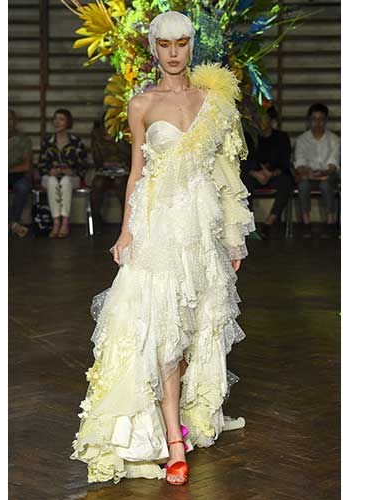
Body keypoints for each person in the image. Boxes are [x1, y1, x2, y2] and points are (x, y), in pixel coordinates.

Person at [71, 11, 252, 486]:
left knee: (197, 325)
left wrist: (233, 234)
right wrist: (126, 231)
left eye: (181, 43)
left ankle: (185, 415)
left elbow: (226, 171)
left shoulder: (213, 101)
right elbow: (137, 172)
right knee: (164, 326)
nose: (174, 53)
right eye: (165, 44)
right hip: (159, 226)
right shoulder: (141, 104)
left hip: (203, 228)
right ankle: (173, 439)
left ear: (192, 46)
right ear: (153, 49)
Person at [240, 107, 293, 233]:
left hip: (274, 175)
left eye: (264, 118)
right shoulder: (250, 137)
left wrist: (271, 173)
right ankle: (249, 223)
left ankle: (270, 221)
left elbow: (285, 162)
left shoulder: (281, 137)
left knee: (287, 181)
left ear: (271, 120)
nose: (260, 121)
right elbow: (244, 161)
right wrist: (256, 173)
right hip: (255, 175)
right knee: (243, 182)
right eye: (258, 118)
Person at [38, 109, 89, 238]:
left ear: (68, 122)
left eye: (61, 119)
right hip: (50, 177)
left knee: (65, 181)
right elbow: (41, 164)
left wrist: (71, 171)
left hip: (71, 178)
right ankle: (56, 222)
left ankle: (65, 222)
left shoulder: (76, 142)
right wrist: (50, 171)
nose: (57, 122)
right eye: (55, 119)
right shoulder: (47, 142)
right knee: (52, 181)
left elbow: (83, 164)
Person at [293, 103, 340, 237]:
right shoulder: (302, 139)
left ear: (326, 120)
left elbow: (333, 165)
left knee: (325, 185)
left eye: (321, 119)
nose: (317, 123)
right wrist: (307, 173)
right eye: (314, 119)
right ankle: (306, 222)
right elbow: (300, 163)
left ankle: (331, 221)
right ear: (309, 120)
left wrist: (322, 174)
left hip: (328, 175)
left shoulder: (334, 139)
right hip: (308, 174)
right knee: (303, 185)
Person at [89, 115, 130, 229]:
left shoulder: (122, 134)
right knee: (97, 184)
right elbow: (96, 158)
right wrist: (103, 165)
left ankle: (125, 222)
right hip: (104, 171)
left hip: (122, 170)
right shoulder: (97, 136)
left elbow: (129, 154)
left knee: (120, 183)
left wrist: (118, 140)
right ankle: (96, 220)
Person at [8, 109, 33, 238]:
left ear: (15, 121)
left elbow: (26, 166)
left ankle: (13, 222)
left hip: (17, 174)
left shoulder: (23, 140)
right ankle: (13, 224)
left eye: (9, 119)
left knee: (23, 187)